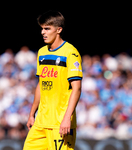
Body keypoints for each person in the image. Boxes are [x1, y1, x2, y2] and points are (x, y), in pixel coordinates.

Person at [23, 10, 83, 150]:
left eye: (47, 29)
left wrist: (67, 118)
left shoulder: (70, 53)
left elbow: (77, 88)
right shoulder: (42, 52)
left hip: (60, 123)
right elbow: (41, 85)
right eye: (42, 29)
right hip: (41, 122)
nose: (43, 32)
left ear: (58, 30)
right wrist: (32, 114)